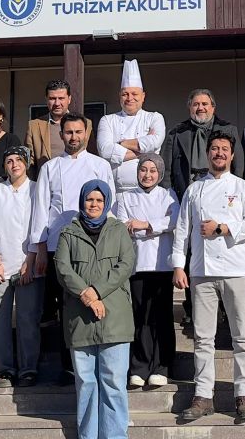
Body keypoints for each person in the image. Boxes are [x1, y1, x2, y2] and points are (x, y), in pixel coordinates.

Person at [172, 132, 245, 422]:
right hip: (202, 271)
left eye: (224, 149)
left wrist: (223, 227)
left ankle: (243, 394)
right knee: (202, 336)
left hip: (236, 269)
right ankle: (202, 395)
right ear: (208, 154)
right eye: (214, 149)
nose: (219, 153)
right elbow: (181, 230)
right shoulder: (194, 190)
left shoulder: (244, 187)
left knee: (242, 336)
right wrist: (178, 265)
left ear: (232, 155)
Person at [28, 113, 113, 384]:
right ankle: (68, 366)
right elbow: (40, 209)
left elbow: (109, 209)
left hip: (94, 246)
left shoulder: (100, 165)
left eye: (78, 132)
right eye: (68, 132)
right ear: (61, 135)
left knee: (92, 300)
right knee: (65, 306)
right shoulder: (50, 168)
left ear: (86, 134)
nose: (73, 137)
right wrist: (40, 249)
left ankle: (95, 361)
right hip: (57, 245)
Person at [55, 179, 137, 439]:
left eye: (99, 200)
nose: (94, 204)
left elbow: (126, 264)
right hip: (80, 319)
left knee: (113, 382)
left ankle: (115, 436)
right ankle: (88, 435)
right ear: (82, 201)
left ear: (107, 203)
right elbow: (63, 268)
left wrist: (97, 292)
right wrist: (87, 296)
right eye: (90, 199)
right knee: (87, 383)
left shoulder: (119, 230)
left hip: (115, 319)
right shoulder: (69, 232)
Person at [112, 153, 179, 389]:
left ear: (159, 174)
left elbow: (174, 222)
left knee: (161, 316)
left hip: (162, 265)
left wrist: (146, 224)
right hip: (137, 265)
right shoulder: (124, 197)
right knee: (140, 317)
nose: (147, 174)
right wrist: (153, 227)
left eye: (152, 170)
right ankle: (139, 366)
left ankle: (162, 366)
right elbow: (122, 226)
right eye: (143, 169)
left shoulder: (168, 195)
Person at [0, 146, 43, 387]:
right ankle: (3, 370)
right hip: (1, 265)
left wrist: (31, 259)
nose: (14, 164)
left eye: (19, 160)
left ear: (27, 163)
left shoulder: (37, 189)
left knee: (29, 319)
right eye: (9, 161)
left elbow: (40, 227)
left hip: (29, 265)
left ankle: (28, 368)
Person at [97, 59, 166, 192]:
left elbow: (155, 141)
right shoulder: (107, 120)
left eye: (134, 94)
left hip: (148, 191)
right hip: (116, 191)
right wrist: (146, 152)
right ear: (119, 96)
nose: (130, 98)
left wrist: (122, 144)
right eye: (125, 94)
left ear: (143, 96)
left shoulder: (154, 117)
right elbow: (105, 151)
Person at [163, 88, 244, 196]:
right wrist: (169, 196)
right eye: (196, 104)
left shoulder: (228, 130)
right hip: (185, 193)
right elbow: (166, 169)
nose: (200, 108)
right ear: (190, 107)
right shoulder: (176, 133)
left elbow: (238, 166)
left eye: (204, 104)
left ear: (213, 107)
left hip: (220, 191)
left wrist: (233, 192)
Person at [25, 79, 93, 179]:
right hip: (47, 183)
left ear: (69, 99)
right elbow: (29, 162)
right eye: (52, 98)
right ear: (46, 99)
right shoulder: (34, 126)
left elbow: (92, 155)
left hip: (78, 180)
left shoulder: (85, 124)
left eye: (61, 98)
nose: (57, 103)